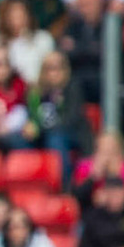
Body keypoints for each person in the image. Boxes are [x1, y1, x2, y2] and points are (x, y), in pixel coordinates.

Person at [24, 50, 91, 181]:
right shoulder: (36, 92)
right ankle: (28, 182)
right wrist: (29, 127)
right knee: (18, 139)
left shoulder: (72, 88)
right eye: (49, 69)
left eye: (57, 68)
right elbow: (31, 116)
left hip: (71, 135)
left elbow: (70, 120)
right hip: (43, 135)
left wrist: (39, 129)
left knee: (55, 138)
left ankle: (63, 184)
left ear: (65, 69)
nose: (53, 73)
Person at [61, 0, 110, 103]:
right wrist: (91, 48)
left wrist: (78, 47)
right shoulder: (73, 26)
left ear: (100, 3)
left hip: (106, 78)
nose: (85, 10)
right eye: (81, 6)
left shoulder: (111, 25)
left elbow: (109, 54)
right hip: (79, 80)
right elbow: (66, 53)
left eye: (88, 5)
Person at [0, 0, 54, 87]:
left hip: (39, 87)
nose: (17, 19)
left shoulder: (43, 38)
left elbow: (51, 68)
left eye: (21, 15)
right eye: (13, 15)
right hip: (9, 89)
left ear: (29, 16)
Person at [72, 127, 124, 193]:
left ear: (119, 154)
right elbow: (76, 194)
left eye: (110, 152)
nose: (106, 157)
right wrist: (93, 177)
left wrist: (114, 176)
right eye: (102, 151)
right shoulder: (84, 168)